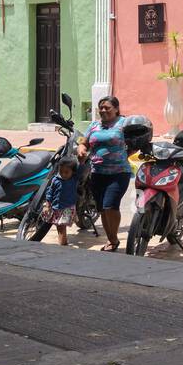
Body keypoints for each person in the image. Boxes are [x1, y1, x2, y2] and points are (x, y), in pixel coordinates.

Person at [78, 96, 131, 251]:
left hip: (119, 172)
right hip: (97, 172)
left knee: (110, 205)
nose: (103, 110)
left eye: (107, 107)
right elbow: (83, 141)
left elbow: (137, 139)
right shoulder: (94, 125)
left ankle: (113, 240)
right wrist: (81, 148)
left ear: (116, 109)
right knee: (101, 208)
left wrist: (128, 153)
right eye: (101, 107)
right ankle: (111, 239)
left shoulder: (123, 124)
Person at [40, 157, 79, 246]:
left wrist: (82, 160)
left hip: (68, 208)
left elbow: (81, 169)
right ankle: (63, 242)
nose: (63, 174)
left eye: (66, 172)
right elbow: (50, 193)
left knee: (61, 226)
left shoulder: (74, 179)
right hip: (57, 208)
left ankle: (63, 244)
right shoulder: (55, 180)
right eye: (61, 171)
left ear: (73, 172)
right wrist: (47, 205)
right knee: (59, 226)